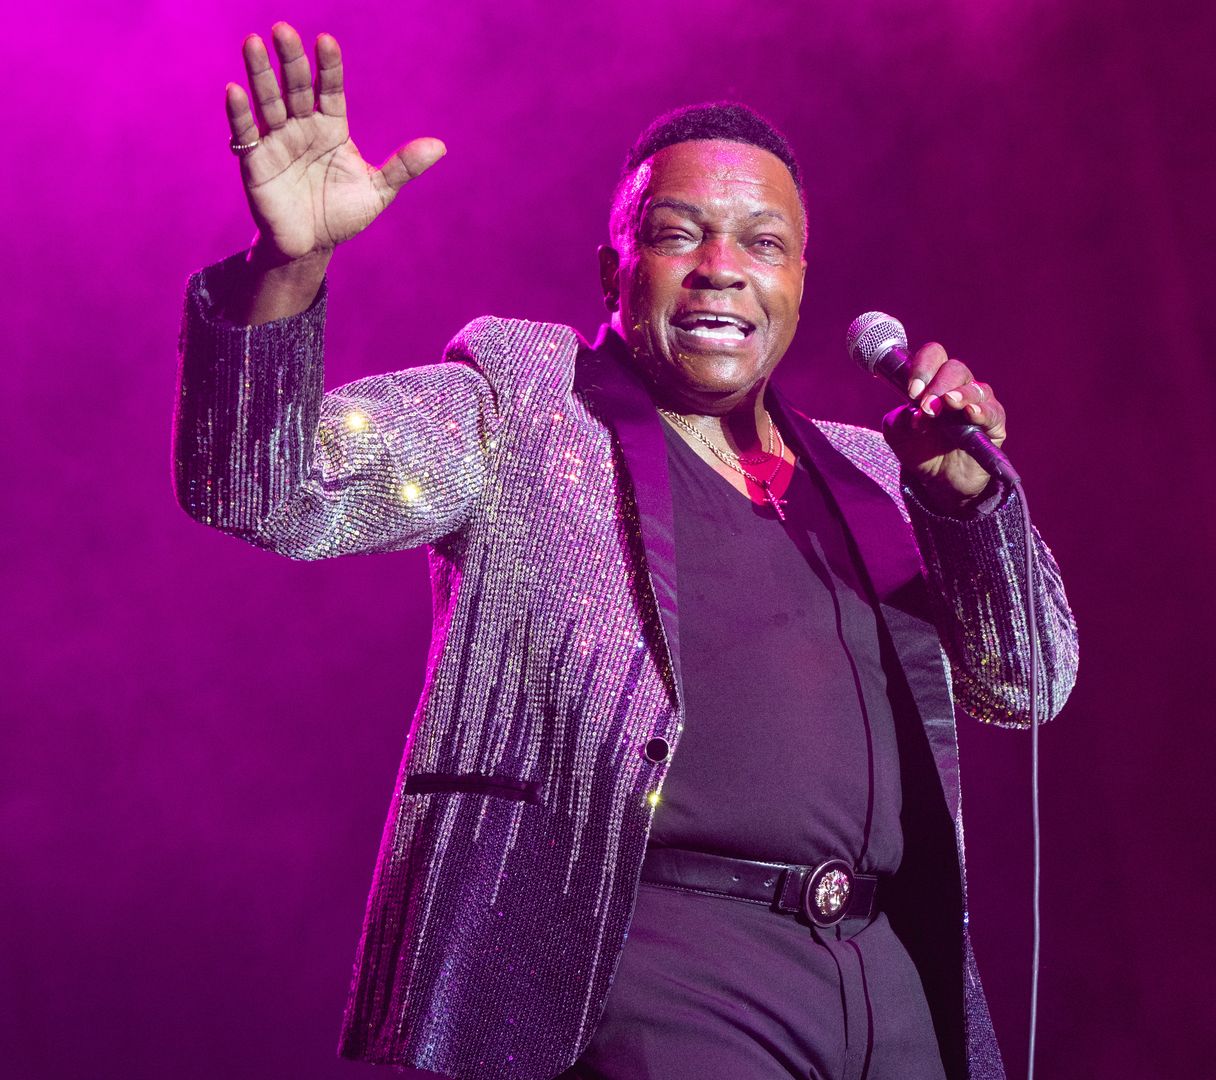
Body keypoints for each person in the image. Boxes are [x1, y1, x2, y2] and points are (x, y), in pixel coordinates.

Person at [174, 21, 1077, 1080]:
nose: (721, 270)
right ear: (615, 270)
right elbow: (268, 490)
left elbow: (1030, 682)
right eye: (679, 232)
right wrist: (287, 268)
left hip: (886, 972)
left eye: (762, 243)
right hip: (660, 965)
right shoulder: (524, 406)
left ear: (798, 284)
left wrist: (963, 499)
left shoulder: (879, 471)